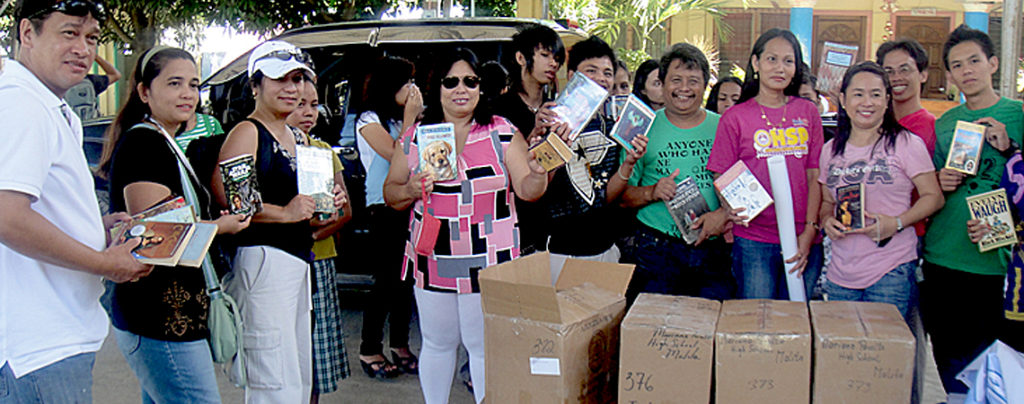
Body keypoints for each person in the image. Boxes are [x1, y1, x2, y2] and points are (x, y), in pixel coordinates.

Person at [0, 1, 151, 401]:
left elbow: (31, 205)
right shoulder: (22, 105)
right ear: (27, 34)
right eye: (69, 33)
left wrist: (90, 223)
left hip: (55, 338)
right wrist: (106, 264)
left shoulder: (47, 104)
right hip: (40, 346)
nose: (83, 49)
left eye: (92, 38)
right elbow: (7, 218)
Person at [383, 47, 549, 404]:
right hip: (434, 254)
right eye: (451, 81)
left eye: (470, 81)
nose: (462, 89)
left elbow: (527, 189)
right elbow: (391, 193)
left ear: (480, 87)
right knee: (438, 343)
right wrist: (411, 188)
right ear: (436, 85)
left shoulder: (501, 131)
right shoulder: (416, 136)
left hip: (489, 257)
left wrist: (540, 173)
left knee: (484, 347)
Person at [100, 46, 251, 404]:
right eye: (174, 83)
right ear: (144, 92)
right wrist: (221, 227)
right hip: (158, 319)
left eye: (194, 84)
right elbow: (158, 239)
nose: (188, 94)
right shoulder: (143, 144)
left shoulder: (164, 142)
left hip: (173, 317)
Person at [214, 40, 343, 403]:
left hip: (297, 261)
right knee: (272, 378)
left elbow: (313, 205)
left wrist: (326, 202)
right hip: (264, 262)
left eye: (299, 79)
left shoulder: (296, 136)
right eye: (280, 79)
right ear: (255, 85)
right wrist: (284, 213)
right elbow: (233, 201)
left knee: (297, 374)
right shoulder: (248, 132)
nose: (293, 88)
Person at [920, 24, 1024, 396]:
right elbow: (925, 187)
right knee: (949, 363)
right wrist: (939, 179)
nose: (967, 71)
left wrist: (1011, 146)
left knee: (1000, 368)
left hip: (1000, 267)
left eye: (974, 61)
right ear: (948, 74)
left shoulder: (1019, 115)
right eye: (957, 65)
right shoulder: (946, 122)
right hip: (944, 258)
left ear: (993, 63)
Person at [817, 61, 943, 320]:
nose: (867, 103)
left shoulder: (906, 143)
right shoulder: (829, 151)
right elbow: (827, 203)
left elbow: (934, 197)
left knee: (887, 356)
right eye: (858, 94)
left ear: (887, 100)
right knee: (846, 354)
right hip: (841, 274)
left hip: (891, 271)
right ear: (843, 99)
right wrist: (827, 221)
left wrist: (897, 223)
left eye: (876, 94)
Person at [707, 28, 825, 300]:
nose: (780, 68)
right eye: (772, 59)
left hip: (803, 235)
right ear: (756, 63)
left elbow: (814, 174)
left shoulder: (807, 111)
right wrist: (729, 206)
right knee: (757, 323)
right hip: (754, 239)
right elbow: (720, 171)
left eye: (788, 60)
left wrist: (809, 230)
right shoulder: (735, 117)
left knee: (797, 321)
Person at [621, 43, 734, 302]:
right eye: (676, 80)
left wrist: (723, 215)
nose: (684, 88)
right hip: (656, 247)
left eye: (693, 81)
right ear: (662, 83)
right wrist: (652, 192)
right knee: (655, 331)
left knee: (709, 327)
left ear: (705, 85)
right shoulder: (641, 126)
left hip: (712, 248)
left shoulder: (724, 127)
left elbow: (742, 186)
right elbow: (622, 196)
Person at [538, 35, 647, 277]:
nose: (601, 78)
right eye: (591, 70)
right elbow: (536, 186)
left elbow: (606, 195)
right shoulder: (551, 118)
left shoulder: (617, 125)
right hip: (557, 250)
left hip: (604, 248)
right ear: (572, 73)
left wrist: (628, 164)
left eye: (607, 73)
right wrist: (550, 141)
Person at [286, 78, 352, 403]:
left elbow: (344, 212)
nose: (308, 113)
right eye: (300, 104)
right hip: (282, 260)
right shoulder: (272, 153)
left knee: (315, 347)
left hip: (319, 259)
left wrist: (310, 236)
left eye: (314, 105)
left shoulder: (323, 152)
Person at [355, 56, 420, 379]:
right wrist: (410, 119)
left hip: (412, 201)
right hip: (383, 204)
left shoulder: (402, 119)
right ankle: (369, 348)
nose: (412, 89)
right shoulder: (368, 119)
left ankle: (400, 344)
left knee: (406, 280)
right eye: (406, 82)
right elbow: (398, 153)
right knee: (385, 279)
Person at [494, 23, 565, 255]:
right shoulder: (498, 110)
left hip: (548, 227)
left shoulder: (558, 108)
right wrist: (530, 138)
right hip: (508, 225)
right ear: (521, 58)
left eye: (556, 58)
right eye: (544, 55)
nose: (553, 63)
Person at [876, 37, 936, 154]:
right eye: (889, 72)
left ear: (923, 75)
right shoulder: (874, 122)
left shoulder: (933, 128)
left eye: (904, 70)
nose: (897, 78)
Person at [66, 52, 121, 120]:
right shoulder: (90, 81)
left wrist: (94, 56)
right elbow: (115, 75)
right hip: (90, 126)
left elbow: (115, 75)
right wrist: (95, 56)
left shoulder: (91, 81)